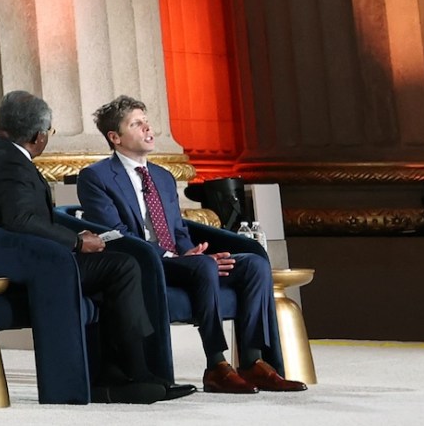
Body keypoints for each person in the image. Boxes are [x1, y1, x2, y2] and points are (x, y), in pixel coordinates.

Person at [0, 90, 188, 405]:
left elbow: (24, 218)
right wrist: (76, 241)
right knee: (122, 267)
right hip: (26, 267)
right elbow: (22, 221)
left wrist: (73, 236)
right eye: (50, 133)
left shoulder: (2, 154)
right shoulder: (11, 164)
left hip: (30, 258)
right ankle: (138, 372)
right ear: (38, 136)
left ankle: (110, 375)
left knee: (114, 267)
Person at [79, 95, 307, 395]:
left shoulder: (162, 176)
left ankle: (252, 362)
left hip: (180, 261)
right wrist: (176, 256)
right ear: (115, 137)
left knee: (254, 264)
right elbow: (116, 234)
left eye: (147, 121)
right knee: (203, 267)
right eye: (136, 124)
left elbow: (177, 228)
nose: (148, 129)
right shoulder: (96, 177)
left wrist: (188, 250)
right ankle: (216, 365)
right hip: (144, 264)